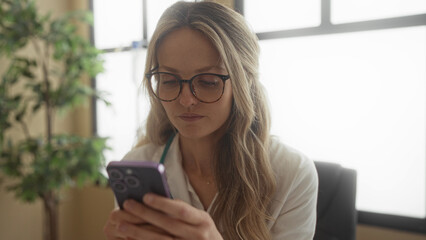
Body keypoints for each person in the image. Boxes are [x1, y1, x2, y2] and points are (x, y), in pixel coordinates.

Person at [103, 1, 318, 240]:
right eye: (170, 80)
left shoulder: (292, 173)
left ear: (243, 83)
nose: (186, 100)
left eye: (207, 82)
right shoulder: (138, 167)